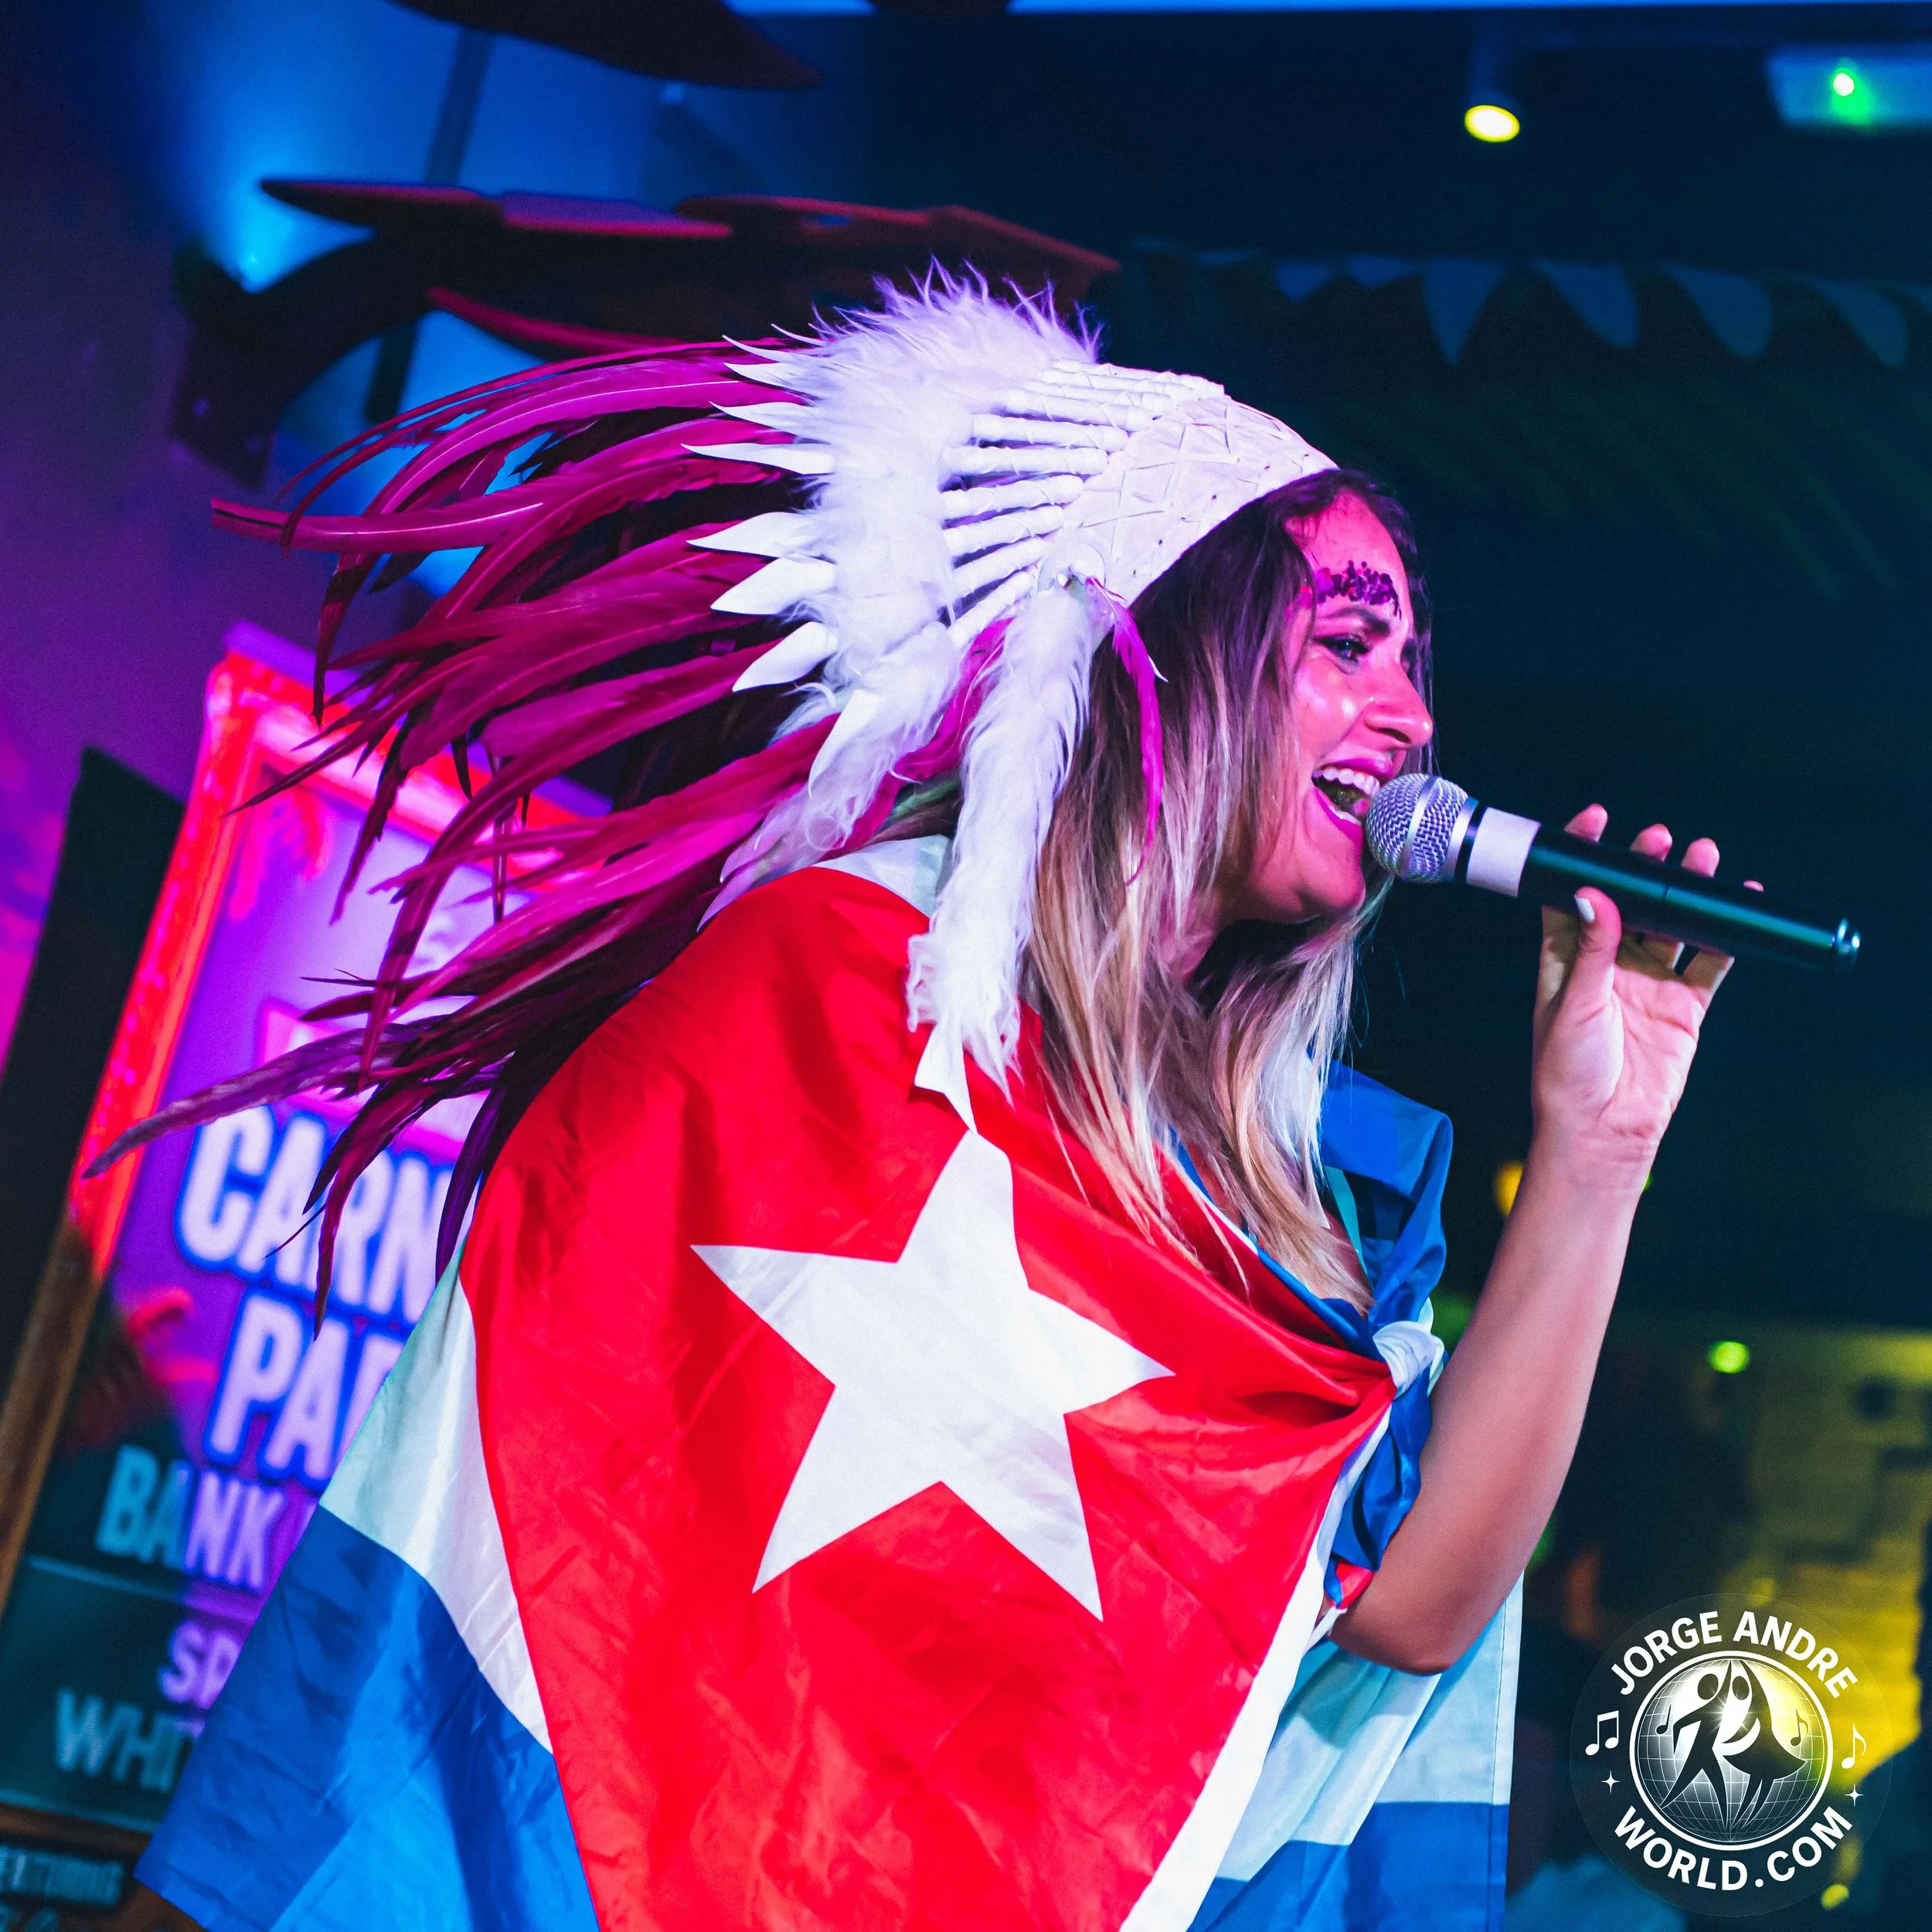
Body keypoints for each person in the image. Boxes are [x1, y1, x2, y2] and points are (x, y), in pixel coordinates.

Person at [113, 283, 1736, 1932]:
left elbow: (1406, 1603)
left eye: (1412, 663)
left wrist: (1598, 1157)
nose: (1413, 719)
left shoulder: (1290, 1189)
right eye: (1346, 646)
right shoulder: (825, 985)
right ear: (1164, 656)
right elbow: (537, 1512)